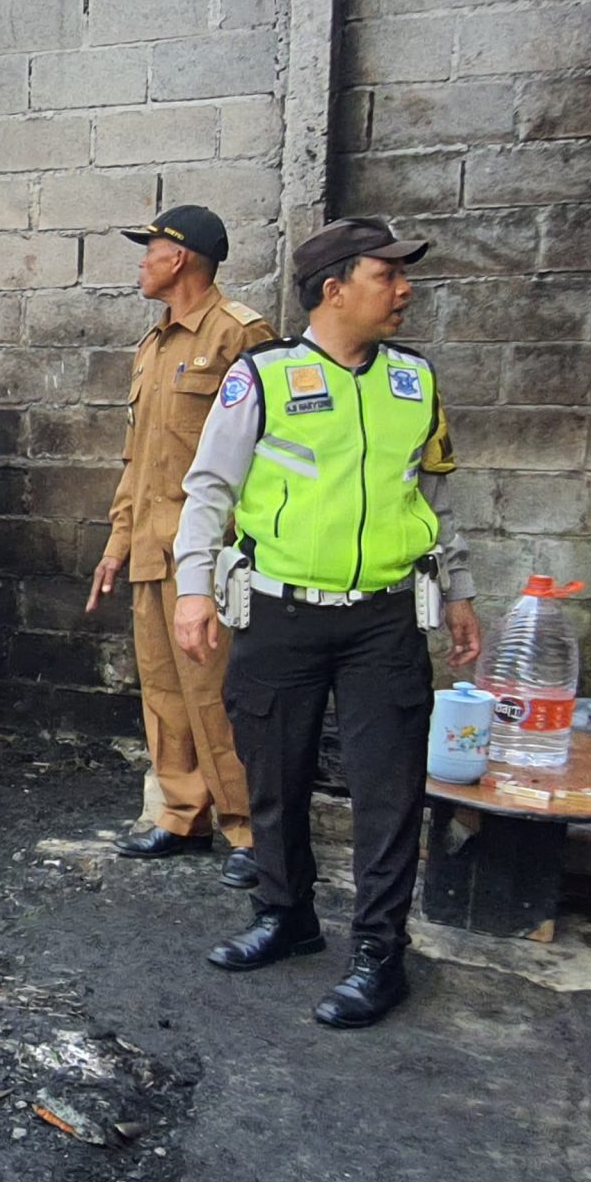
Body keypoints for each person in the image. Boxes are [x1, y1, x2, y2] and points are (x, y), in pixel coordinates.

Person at [173, 219, 482, 1029]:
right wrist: (192, 590)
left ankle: (381, 954)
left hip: (384, 619)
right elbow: (209, 488)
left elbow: (439, 497)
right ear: (334, 288)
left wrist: (460, 592)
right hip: (280, 612)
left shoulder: (415, 381)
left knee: (389, 792)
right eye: (389, 275)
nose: (405, 289)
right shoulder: (263, 378)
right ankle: (285, 916)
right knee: (272, 774)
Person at [90, 206, 274, 887]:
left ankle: (252, 828)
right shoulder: (153, 345)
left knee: (220, 692)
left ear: (186, 257)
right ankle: (181, 815)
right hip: (148, 550)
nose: (142, 259)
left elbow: (268, 451)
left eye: (153, 248)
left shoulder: (241, 334)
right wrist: (116, 543)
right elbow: (138, 462)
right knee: (164, 693)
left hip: (209, 555)